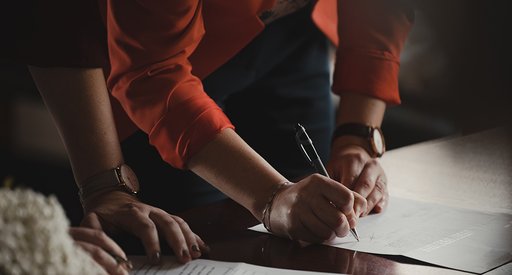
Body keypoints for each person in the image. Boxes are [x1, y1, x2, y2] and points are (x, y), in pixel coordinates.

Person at [77, 0, 414, 260]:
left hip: (294, 32)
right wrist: (272, 196)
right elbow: (154, 74)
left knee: (316, 229)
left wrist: (356, 139)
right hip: (171, 65)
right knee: (199, 243)